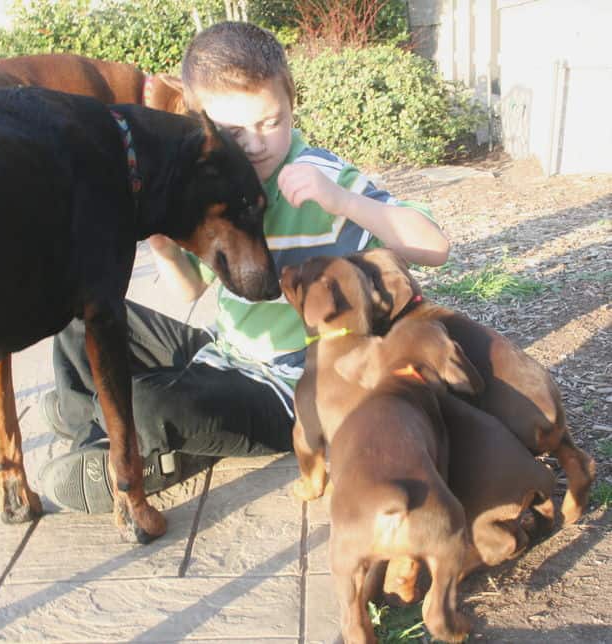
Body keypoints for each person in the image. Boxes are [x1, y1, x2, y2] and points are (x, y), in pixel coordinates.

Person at [38, 21, 450, 513]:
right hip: (222, 352)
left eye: (270, 122)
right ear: (202, 122)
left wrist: (342, 200)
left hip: (289, 390)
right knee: (81, 314)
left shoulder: (320, 174)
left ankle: (117, 436)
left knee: (146, 401)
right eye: (235, 131)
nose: (255, 144)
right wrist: (167, 251)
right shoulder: (215, 181)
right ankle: (99, 420)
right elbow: (192, 291)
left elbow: (434, 246)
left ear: (292, 104)